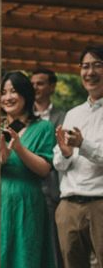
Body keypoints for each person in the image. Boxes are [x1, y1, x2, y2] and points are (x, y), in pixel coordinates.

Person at [0, 71, 56, 268]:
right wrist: (0, 160)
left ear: (26, 94)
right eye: (3, 92)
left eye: (13, 91)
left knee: (27, 254)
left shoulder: (43, 127)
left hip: (27, 201)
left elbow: (44, 169)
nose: (7, 97)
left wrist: (19, 149)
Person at [54, 45, 103, 268]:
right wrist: (65, 153)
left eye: (97, 66)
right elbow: (58, 163)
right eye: (85, 66)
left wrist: (83, 144)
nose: (90, 72)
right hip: (69, 205)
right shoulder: (73, 113)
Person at [31, 68, 65, 268]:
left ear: (52, 87)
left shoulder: (64, 115)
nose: (35, 87)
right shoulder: (24, 116)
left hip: (55, 189)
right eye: (33, 84)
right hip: (30, 185)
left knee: (55, 243)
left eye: (40, 83)